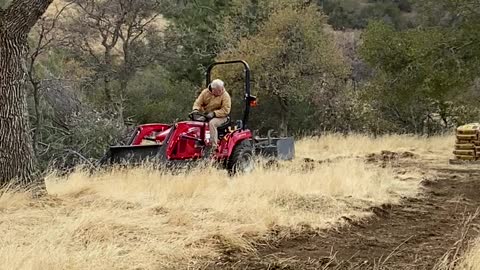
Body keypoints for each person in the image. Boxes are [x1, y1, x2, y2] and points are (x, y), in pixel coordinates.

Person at [191, 79, 231, 152]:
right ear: (213, 90)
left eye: (222, 89)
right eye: (219, 90)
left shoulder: (225, 96)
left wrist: (214, 113)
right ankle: (196, 142)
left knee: (212, 123)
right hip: (207, 115)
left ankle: (213, 147)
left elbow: (226, 110)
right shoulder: (205, 93)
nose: (221, 91)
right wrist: (195, 110)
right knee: (197, 123)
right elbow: (198, 102)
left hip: (221, 116)